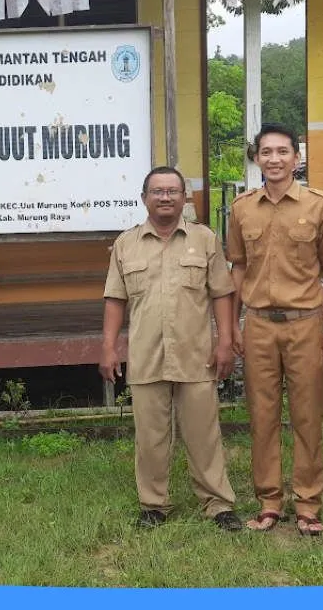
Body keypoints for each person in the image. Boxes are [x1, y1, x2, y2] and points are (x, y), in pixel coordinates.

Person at [101, 166, 242, 530]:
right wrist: (108, 347)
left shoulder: (205, 240)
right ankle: (153, 505)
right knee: (150, 436)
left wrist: (225, 341)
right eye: (157, 191)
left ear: (184, 198)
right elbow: (115, 300)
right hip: (146, 355)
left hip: (196, 355)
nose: (165, 197)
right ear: (144, 197)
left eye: (173, 191)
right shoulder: (125, 244)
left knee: (204, 434)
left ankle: (218, 504)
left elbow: (222, 293)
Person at [225, 122, 323, 537]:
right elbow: (238, 267)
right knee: (261, 416)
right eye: (266, 152)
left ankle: (309, 504)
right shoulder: (242, 208)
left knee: (308, 416)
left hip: (305, 325)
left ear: (297, 158)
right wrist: (235, 325)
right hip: (259, 324)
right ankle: (269, 502)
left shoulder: (320, 206)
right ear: (256, 158)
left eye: (282, 152)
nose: (274, 159)